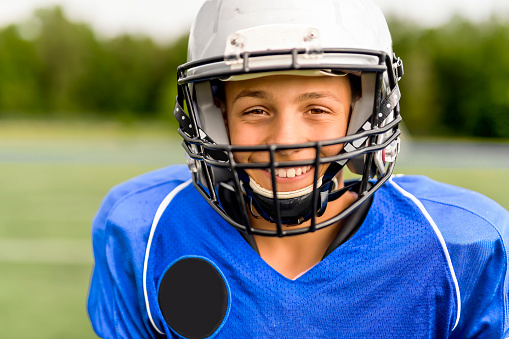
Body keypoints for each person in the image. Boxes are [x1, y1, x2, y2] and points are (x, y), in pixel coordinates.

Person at [87, 0, 509, 338]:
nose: (286, 141)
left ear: (362, 113)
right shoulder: (144, 232)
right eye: (255, 109)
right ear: (215, 117)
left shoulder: (462, 247)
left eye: (317, 108)